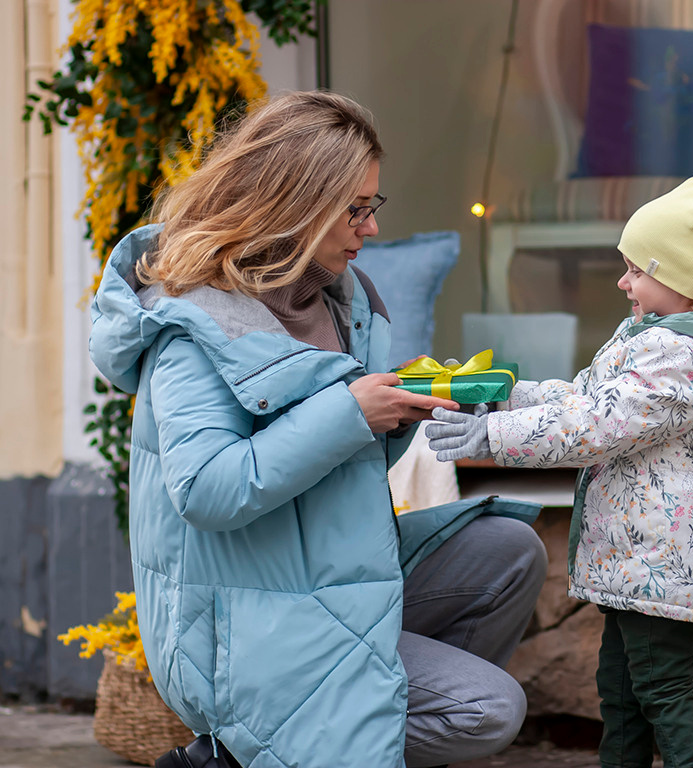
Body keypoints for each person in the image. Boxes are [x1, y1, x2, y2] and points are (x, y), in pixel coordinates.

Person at [88, 90, 547, 768]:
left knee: (508, 548)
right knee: (486, 709)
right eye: (356, 209)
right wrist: (351, 413)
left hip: (329, 570)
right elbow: (208, 490)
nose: (371, 229)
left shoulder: (337, 297)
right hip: (248, 624)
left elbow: (335, 452)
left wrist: (396, 412)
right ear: (295, 206)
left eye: (372, 205)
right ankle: (264, 751)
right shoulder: (194, 325)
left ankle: (355, 722)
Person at [425, 163, 693, 768]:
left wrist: (493, 433)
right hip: (639, 555)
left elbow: (596, 427)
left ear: (684, 278)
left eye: (638, 270)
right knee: (621, 692)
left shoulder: (680, 357)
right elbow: (584, 398)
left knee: (661, 692)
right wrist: (503, 394)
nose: (623, 282)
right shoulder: (652, 337)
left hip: (660, 556)